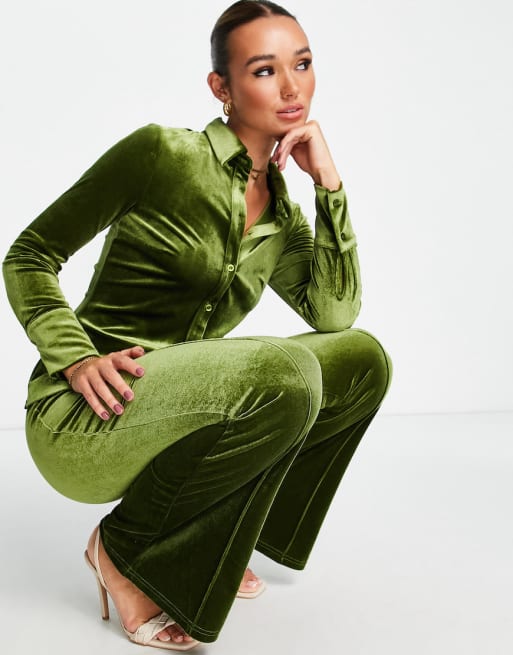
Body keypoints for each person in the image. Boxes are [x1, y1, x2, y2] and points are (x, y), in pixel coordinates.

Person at [3, 0, 392, 650]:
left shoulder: (282, 215)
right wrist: (73, 356)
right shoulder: (162, 154)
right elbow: (29, 254)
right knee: (286, 371)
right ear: (221, 87)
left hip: (181, 414)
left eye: (301, 64)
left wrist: (329, 185)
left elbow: (335, 314)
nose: (291, 88)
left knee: (360, 361)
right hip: (86, 413)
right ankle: (124, 549)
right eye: (264, 70)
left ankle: (214, 534)